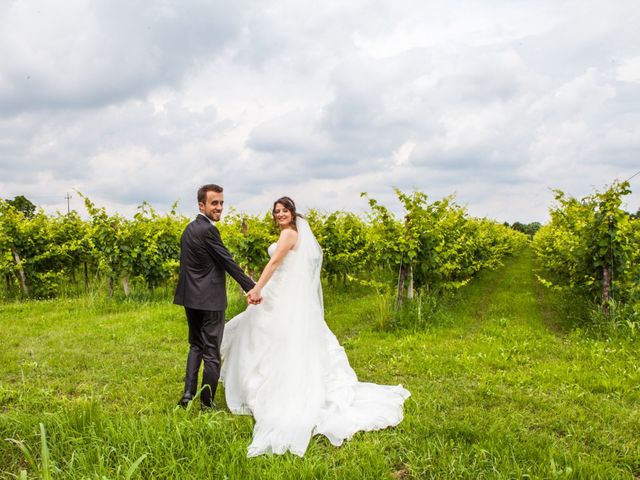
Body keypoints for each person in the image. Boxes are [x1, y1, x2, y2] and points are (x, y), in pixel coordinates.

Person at [220, 196, 410, 457]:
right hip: (283, 291)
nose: (279, 214)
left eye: (284, 210)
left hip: (280, 293)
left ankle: (265, 386)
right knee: (258, 332)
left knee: (263, 334)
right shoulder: (293, 235)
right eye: (276, 211)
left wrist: (256, 287)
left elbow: (274, 263)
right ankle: (255, 383)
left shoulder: (288, 235)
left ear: (292, 213)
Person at [174, 184, 261, 409]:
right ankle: (207, 401)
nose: (219, 207)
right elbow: (227, 261)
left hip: (190, 298)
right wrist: (252, 287)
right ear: (201, 205)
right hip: (210, 300)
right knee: (211, 351)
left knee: (195, 345)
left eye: (221, 202)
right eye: (214, 203)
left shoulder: (189, 229)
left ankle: (187, 395)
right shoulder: (209, 230)